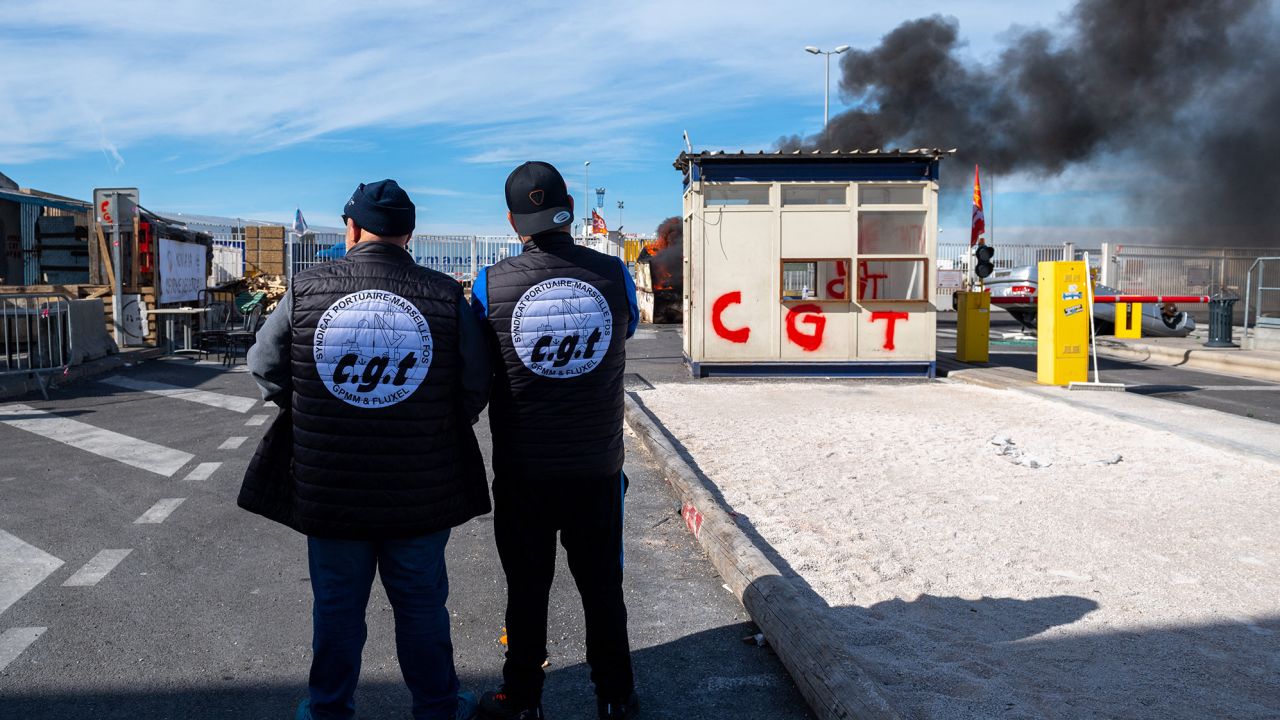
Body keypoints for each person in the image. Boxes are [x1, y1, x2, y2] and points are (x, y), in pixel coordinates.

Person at [247, 179, 491, 720]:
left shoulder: (307, 288)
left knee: (336, 609)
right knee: (423, 606)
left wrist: (311, 404)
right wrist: (438, 418)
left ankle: (329, 709)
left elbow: (263, 365)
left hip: (331, 486)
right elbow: (476, 381)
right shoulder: (444, 293)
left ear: (351, 229)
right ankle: (438, 707)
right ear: (409, 234)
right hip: (420, 485)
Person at [471, 162, 639, 720]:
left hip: (524, 471)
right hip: (596, 467)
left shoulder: (489, 284)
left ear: (514, 220)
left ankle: (521, 701)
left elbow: (480, 364)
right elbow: (627, 329)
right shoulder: (616, 277)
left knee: (526, 588)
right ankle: (615, 697)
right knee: (601, 587)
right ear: (567, 207)